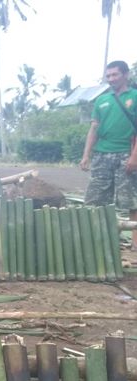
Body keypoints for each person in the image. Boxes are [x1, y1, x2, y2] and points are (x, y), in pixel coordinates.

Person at [80, 60, 137, 249]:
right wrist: (86, 155)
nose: (111, 79)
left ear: (125, 74)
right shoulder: (102, 100)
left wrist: (134, 157)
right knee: (95, 199)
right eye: (109, 76)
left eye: (115, 75)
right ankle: (97, 241)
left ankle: (136, 245)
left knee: (130, 201)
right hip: (102, 155)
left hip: (126, 155)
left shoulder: (135, 97)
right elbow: (93, 129)